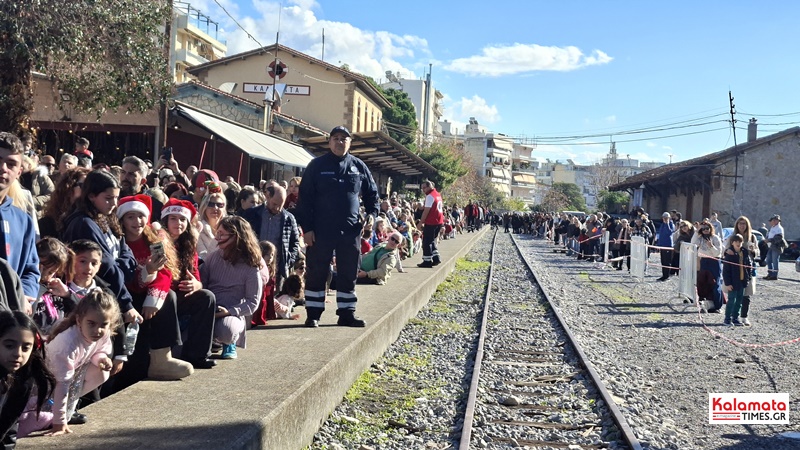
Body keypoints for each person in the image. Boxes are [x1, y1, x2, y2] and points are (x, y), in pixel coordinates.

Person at [294, 126, 379, 328]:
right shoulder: (316, 166)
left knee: (349, 272)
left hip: (350, 232)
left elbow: (372, 195)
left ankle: (347, 313)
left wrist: (372, 216)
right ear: (329, 141)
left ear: (350, 143)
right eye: (336, 138)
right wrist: (307, 229)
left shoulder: (359, 166)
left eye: (344, 139)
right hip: (320, 230)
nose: (340, 142)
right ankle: (313, 314)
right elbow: (304, 200)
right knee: (317, 271)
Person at [116, 194, 193, 382]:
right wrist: (148, 271)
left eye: (141, 216)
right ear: (122, 220)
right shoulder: (119, 242)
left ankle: (162, 358)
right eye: (130, 217)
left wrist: (153, 300)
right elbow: (127, 280)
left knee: (170, 296)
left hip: (148, 298)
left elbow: (167, 273)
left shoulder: (153, 240)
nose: (137, 221)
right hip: (127, 298)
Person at [61, 170, 141, 326]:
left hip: (115, 292)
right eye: (108, 198)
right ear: (91, 196)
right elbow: (107, 267)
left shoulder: (106, 216)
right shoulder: (84, 224)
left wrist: (121, 269)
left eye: (116, 198)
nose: (114, 203)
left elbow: (126, 251)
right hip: (98, 299)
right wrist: (127, 304)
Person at [39, 289, 121, 435]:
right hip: (43, 384)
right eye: (91, 323)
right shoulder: (68, 343)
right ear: (79, 320)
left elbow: (98, 350)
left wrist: (102, 358)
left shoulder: (102, 333)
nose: (98, 330)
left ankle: (68, 408)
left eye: (103, 325)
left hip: (67, 379)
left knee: (101, 372)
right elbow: (61, 383)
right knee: (35, 421)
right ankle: (53, 414)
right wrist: (59, 423)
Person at [160, 199, 217, 369]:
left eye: (182, 219)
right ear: (166, 221)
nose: (179, 223)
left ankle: (197, 355)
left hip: (181, 293)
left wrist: (197, 285)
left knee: (207, 297)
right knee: (169, 297)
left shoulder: (188, 244)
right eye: (174, 219)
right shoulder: (157, 240)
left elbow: (196, 276)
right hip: (162, 293)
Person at [200, 216, 263, 360]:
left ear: (236, 236)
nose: (218, 238)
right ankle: (210, 342)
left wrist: (229, 311)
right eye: (218, 233)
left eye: (222, 234)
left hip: (231, 313)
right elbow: (202, 284)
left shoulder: (251, 266)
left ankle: (230, 343)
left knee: (227, 331)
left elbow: (252, 302)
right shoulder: (213, 257)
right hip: (209, 310)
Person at [0, 311, 56, 444]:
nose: (18, 354)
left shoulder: (24, 377)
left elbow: (7, 421)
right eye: (9, 346)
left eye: (26, 348)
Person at [0, 133, 41, 306]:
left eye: (11, 164)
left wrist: (23, 296)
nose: (3, 168)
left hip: (9, 318)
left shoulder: (23, 220)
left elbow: (31, 270)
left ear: (19, 172)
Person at [243, 185, 300, 292]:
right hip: (252, 265)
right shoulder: (252, 214)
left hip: (277, 270)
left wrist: (289, 260)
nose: (277, 208)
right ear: (268, 196)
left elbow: (295, 242)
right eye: (274, 204)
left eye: (280, 205)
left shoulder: (289, 218)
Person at [32, 237, 76, 336]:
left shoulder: (57, 287)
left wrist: (68, 295)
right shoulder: (28, 287)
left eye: (51, 272)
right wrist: (38, 283)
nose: (45, 275)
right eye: (40, 267)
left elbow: (82, 312)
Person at [725, 216, 758, 325]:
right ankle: (730, 317)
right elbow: (724, 250)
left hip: (748, 268)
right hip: (734, 269)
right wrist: (728, 251)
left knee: (746, 294)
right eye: (740, 223)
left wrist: (753, 251)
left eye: (744, 223)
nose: (742, 225)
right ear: (737, 225)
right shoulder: (731, 237)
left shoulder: (752, 237)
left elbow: (757, 252)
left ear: (747, 225)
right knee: (733, 296)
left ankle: (744, 316)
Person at [39, 167, 89, 239]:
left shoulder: (94, 221)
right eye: (84, 186)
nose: (88, 191)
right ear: (68, 189)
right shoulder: (47, 224)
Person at [120, 156, 164, 223]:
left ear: (143, 181)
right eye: (123, 172)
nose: (125, 177)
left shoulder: (155, 205)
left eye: (131, 174)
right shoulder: (113, 200)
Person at [693, 221, 724, 313]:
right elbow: (692, 244)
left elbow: (718, 253)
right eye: (703, 229)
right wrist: (696, 231)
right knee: (703, 284)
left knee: (715, 284)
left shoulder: (715, 238)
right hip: (704, 261)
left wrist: (711, 246)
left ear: (711, 229)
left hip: (714, 262)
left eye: (707, 228)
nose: (705, 230)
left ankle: (717, 306)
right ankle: (705, 305)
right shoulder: (700, 238)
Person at [722, 234, 752, 326]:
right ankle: (727, 318)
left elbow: (748, 266)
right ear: (732, 243)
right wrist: (728, 283)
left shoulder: (745, 252)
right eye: (736, 242)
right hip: (732, 282)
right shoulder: (729, 254)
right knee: (731, 300)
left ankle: (735, 318)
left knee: (739, 301)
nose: (738, 244)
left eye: (740, 242)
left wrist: (748, 277)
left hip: (742, 281)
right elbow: (726, 271)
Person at [195, 182, 227, 260]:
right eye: (211, 204)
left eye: (220, 205)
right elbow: (203, 257)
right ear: (204, 207)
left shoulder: (230, 229)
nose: (215, 208)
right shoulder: (198, 229)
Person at [417, 180, 444, 268]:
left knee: (427, 241)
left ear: (429, 186)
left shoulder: (429, 196)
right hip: (438, 221)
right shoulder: (437, 195)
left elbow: (426, 211)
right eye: (422, 188)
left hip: (431, 221)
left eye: (424, 188)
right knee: (431, 240)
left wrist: (421, 222)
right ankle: (436, 257)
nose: (423, 190)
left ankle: (427, 261)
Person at [252, 241, 277, 326]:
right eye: (267, 254)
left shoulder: (271, 270)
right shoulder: (255, 268)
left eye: (272, 255)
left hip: (266, 296)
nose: (270, 257)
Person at [764, 214, 785, 280]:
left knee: (775, 260)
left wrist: (769, 240)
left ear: (776, 221)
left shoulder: (779, 229)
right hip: (771, 246)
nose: (771, 222)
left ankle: (775, 275)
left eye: (772, 220)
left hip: (776, 247)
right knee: (768, 260)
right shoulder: (773, 227)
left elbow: (779, 238)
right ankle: (770, 273)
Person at [655, 212, 675, 281]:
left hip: (668, 245)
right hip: (662, 245)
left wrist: (667, 224)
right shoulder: (662, 225)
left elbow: (669, 232)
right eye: (664, 217)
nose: (665, 219)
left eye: (666, 218)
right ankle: (664, 275)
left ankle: (667, 276)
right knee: (663, 261)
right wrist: (658, 245)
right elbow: (661, 235)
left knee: (667, 261)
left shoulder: (671, 224)